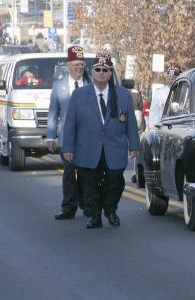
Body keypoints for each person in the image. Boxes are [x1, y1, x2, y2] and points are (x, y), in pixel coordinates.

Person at [62, 53, 140, 229]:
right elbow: (70, 124)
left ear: (111, 73)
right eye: (98, 69)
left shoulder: (123, 95)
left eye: (105, 70)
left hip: (115, 147)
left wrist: (134, 144)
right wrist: (68, 148)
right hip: (88, 148)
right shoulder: (79, 95)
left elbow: (131, 122)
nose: (101, 73)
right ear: (92, 71)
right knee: (89, 185)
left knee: (116, 182)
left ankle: (110, 209)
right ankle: (94, 215)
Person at [48, 45, 90, 220]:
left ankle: (88, 206)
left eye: (82, 64)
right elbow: (53, 112)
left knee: (87, 173)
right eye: (76, 64)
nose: (79, 68)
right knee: (68, 173)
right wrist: (51, 136)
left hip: (88, 137)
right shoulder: (59, 86)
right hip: (67, 137)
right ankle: (68, 208)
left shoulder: (91, 84)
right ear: (68, 66)